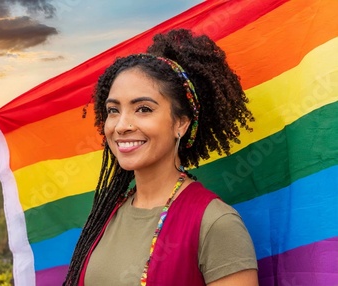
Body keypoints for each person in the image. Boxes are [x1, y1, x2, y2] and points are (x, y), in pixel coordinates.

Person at [64, 29, 258, 286]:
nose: (121, 125)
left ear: (181, 123)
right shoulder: (106, 215)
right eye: (113, 110)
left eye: (143, 109)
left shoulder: (214, 223)